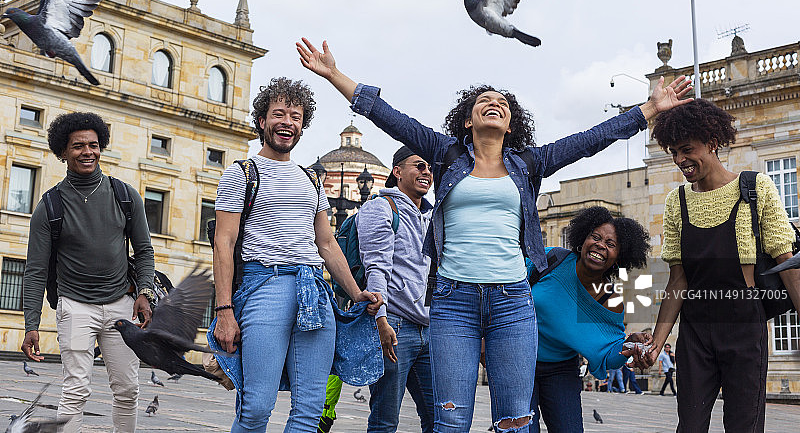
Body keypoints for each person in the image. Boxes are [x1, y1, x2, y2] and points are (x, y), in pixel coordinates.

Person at [297, 37, 691, 433]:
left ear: (510, 122)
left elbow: (588, 141)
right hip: (453, 301)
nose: (495, 102)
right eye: (484, 99)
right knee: (449, 419)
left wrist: (650, 110)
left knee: (515, 421)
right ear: (468, 120)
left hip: (512, 303)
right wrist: (333, 74)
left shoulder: (528, 163)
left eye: (503, 102)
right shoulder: (445, 153)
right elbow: (388, 116)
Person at [212, 77, 383, 433]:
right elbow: (223, 243)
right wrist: (224, 310)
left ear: (302, 126)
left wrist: (355, 293)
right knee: (256, 407)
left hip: (314, 290)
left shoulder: (311, 179)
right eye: (279, 113)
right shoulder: (241, 173)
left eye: (295, 115)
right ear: (262, 121)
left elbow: (327, 244)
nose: (287, 121)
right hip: (264, 286)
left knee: (310, 409)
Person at [635, 98, 800, 432]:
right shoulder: (676, 202)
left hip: (744, 325)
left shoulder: (754, 188)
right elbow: (678, 281)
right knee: (691, 425)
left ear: (712, 142)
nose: (680, 160)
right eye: (673, 153)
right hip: (696, 330)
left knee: (744, 424)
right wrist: (655, 344)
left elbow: (788, 263)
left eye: (686, 149)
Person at [22, 112, 155, 433]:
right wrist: (31, 325)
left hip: (121, 306)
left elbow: (145, 250)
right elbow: (35, 270)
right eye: (78, 146)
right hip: (75, 307)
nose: (87, 152)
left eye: (93, 145)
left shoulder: (125, 195)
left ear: (101, 148)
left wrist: (144, 293)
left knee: (128, 388)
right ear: (63, 152)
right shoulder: (49, 205)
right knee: (75, 390)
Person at [530, 206, 652, 432]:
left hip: (560, 370)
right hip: (519, 361)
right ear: (582, 240)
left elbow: (608, 351)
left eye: (611, 244)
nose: (600, 245)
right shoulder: (551, 259)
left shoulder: (610, 300)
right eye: (595, 237)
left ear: (619, 258)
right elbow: (503, 291)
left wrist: (629, 343)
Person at [358, 146, 435, 433]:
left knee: (442, 420)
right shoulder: (380, 207)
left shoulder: (431, 216)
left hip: (428, 328)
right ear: (398, 171)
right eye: (418, 166)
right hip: (395, 327)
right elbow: (376, 267)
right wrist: (381, 319)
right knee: (385, 421)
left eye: (429, 168)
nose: (426, 172)